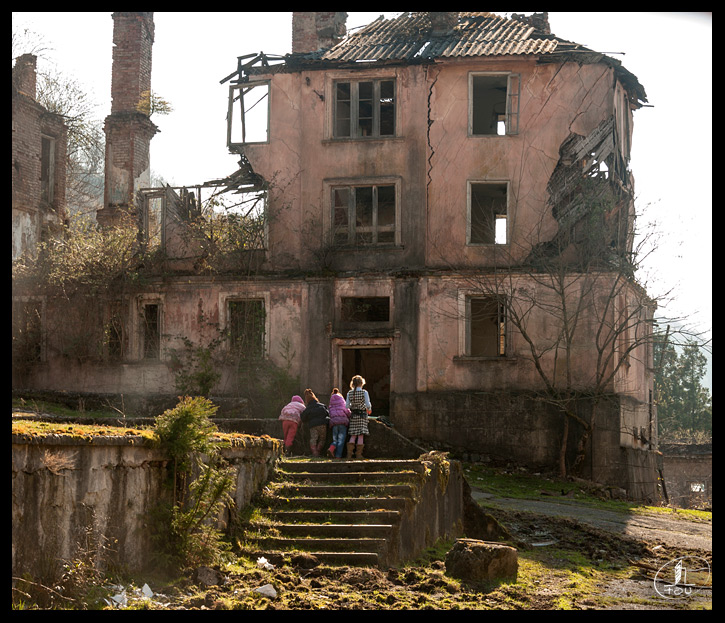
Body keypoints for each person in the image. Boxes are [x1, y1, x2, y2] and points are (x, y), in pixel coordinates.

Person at [345, 375, 371, 459]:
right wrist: (369, 409)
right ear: (361, 383)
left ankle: (349, 454)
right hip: (362, 415)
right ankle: (358, 455)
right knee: (360, 435)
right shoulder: (364, 392)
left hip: (353, 416)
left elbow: (347, 406)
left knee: (353, 435)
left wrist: (354, 405)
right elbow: (367, 404)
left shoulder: (349, 393)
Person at [300, 388, 329, 457]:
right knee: (322, 439)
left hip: (313, 425)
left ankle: (315, 452)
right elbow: (328, 414)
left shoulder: (308, 408)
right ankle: (319, 451)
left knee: (313, 439)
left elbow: (303, 418)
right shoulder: (322, 406)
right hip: (323, 425)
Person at [327, 388, 351, 458]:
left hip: (334, 424)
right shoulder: (343, 404)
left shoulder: (331, 406)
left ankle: (332, 447)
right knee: (341, 441)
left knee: (335, 439)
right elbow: (348, 412)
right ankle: (338, 456)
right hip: (342, 423)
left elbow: (330, 414)